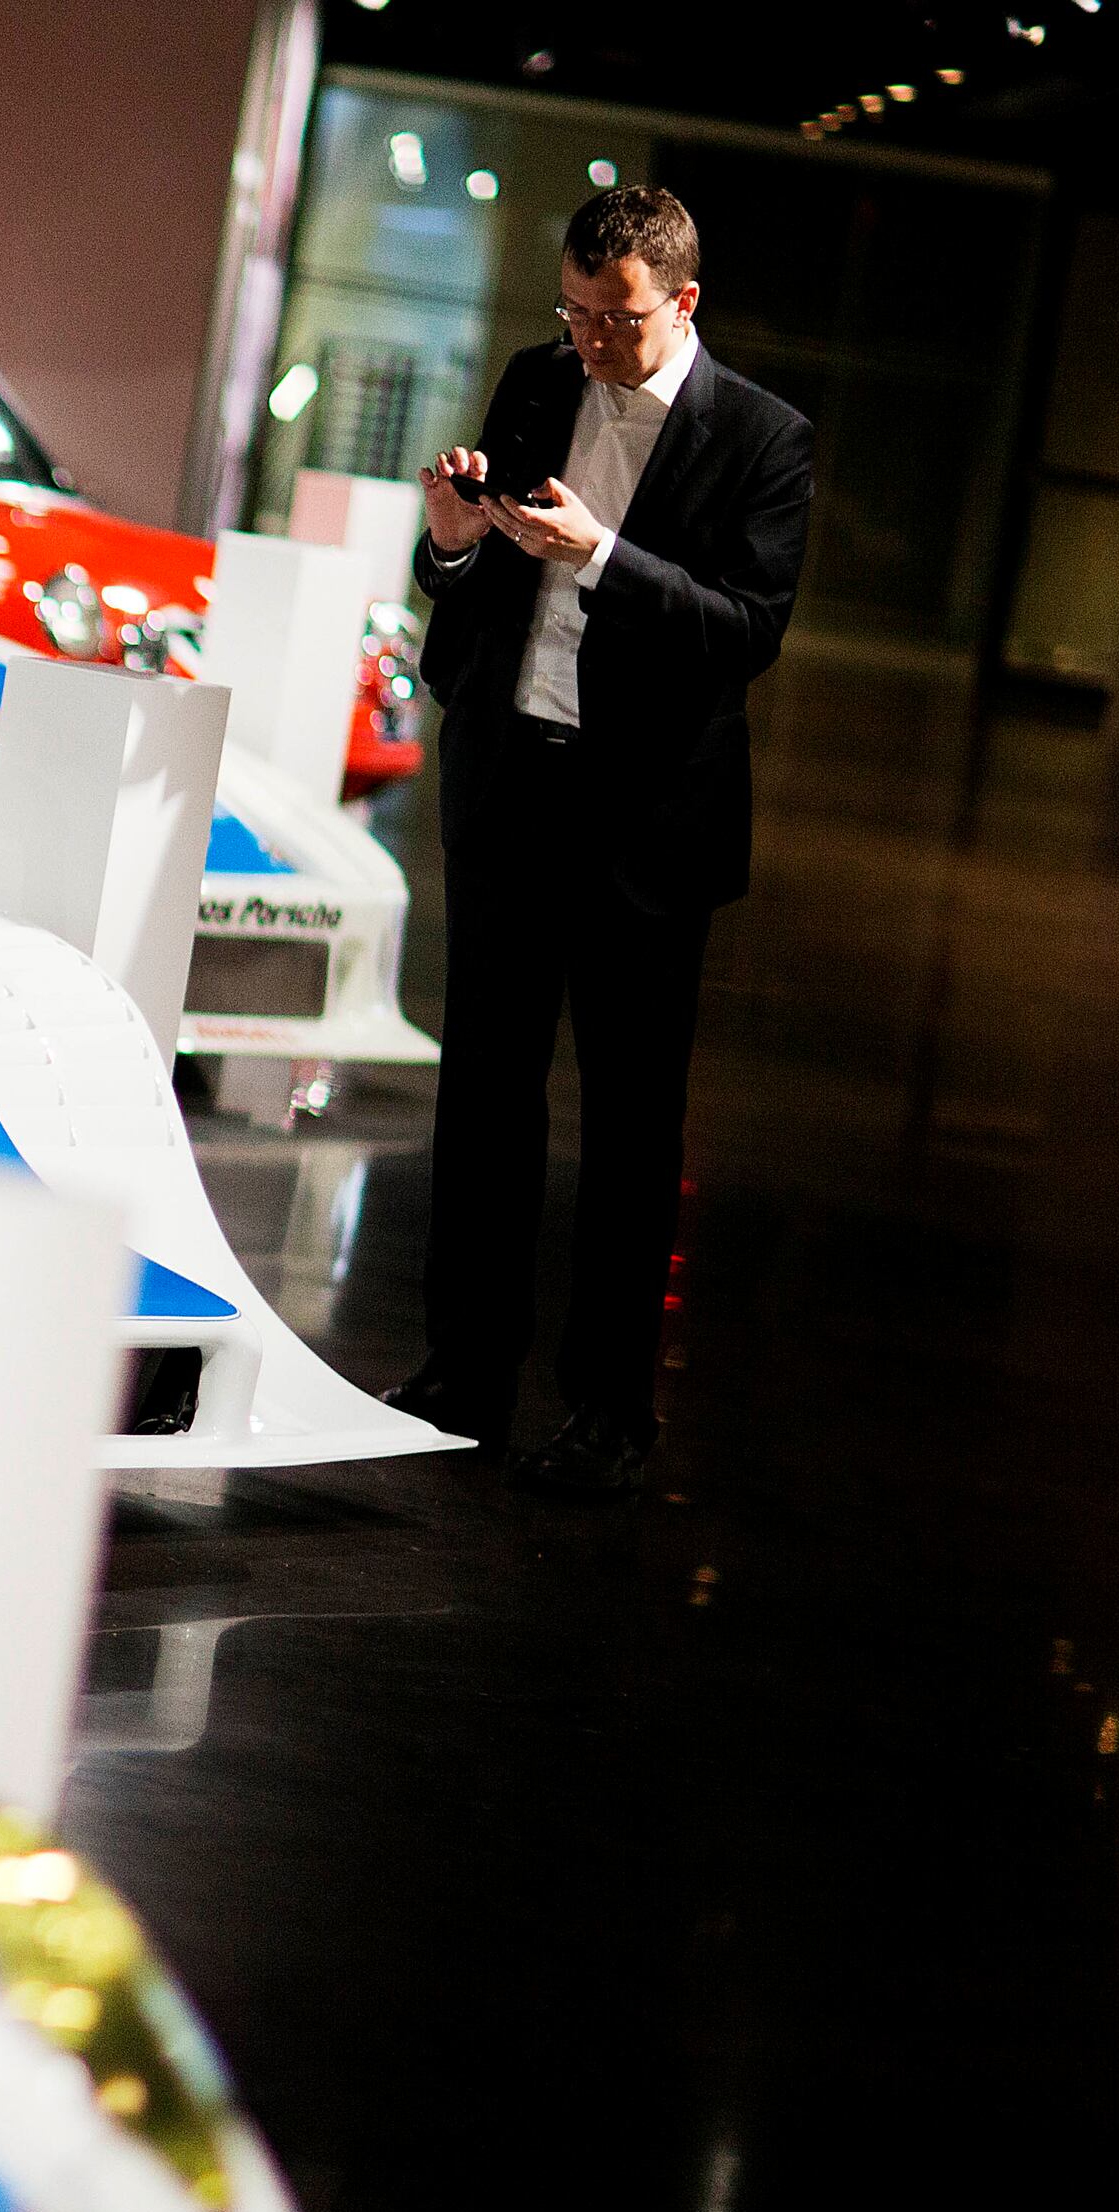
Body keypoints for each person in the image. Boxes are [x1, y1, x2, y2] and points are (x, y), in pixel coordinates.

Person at [383, 183, 814, 1499]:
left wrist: (603, 556)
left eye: (616, 319)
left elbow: (748, 632)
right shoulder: (536, 378)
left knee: (629, 1123)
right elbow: (467, 582)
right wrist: (451, 546)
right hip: (510, 782)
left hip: (648, 824)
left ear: (683, 302)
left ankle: (610, 1410)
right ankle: (464, 1371)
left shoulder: (763, 437)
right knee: (484, 1093)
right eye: (572, 312)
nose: (589, 340)